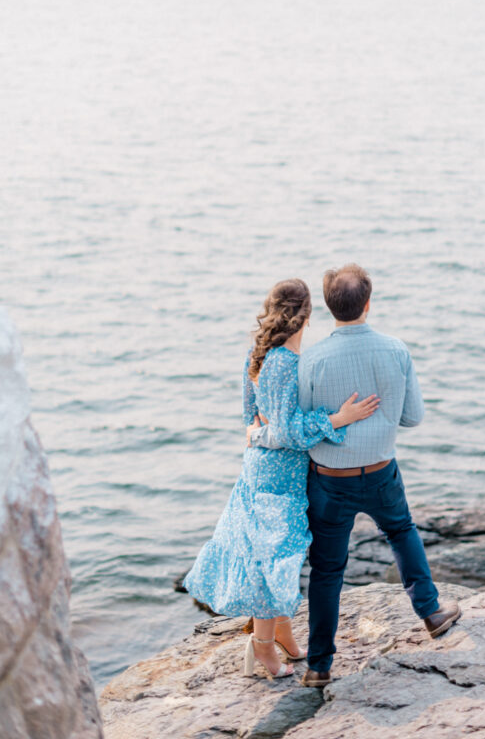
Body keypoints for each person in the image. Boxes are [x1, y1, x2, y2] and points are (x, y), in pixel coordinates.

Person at [250, 264, 460, 687]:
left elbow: (304, 423)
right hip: (381, 471)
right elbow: (413, 417)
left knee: (328, 571)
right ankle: (431, 612)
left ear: (328, 308)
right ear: (368, 303)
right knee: (401, 531)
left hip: (328, 478)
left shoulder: (310, 360)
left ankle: (320, 665)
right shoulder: (397, 350)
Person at [183, 278, 379, 681]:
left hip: (257, 468)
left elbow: (248, 417)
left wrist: (261, 433)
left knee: (274, 557)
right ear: (307, 316)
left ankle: (286, 639)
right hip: (279, 476)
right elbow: (288, 432)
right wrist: (339, 419)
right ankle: (262, 649)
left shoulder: (258, 355)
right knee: (275, 560)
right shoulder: (288, 365)